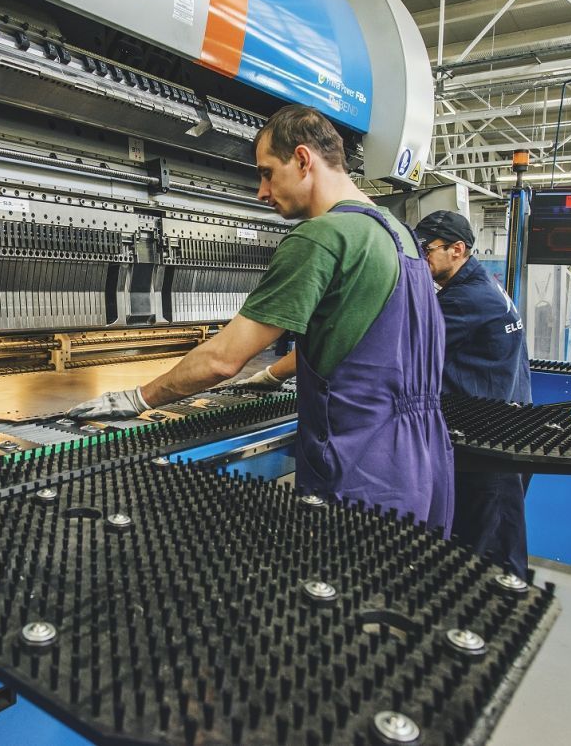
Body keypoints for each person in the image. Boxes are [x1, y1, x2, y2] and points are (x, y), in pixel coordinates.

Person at [68, 105, 454, 533]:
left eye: (267, 173)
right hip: (426, 456)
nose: (261, 192)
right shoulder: (402, 236)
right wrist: (271, 374)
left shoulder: (322, 236)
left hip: (363, 463)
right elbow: (360, 339)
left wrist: (137, 399)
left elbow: (223, 361)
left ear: (303, 159)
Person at [414, 210, 531, 577]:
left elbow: (407, 346)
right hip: (505, 427)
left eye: (426, 250)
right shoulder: (486, 284)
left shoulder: (464, 299)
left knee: (480, 550)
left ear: (457, 249)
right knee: (498, 534)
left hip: (485, 439)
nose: (420, 258)